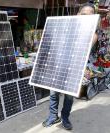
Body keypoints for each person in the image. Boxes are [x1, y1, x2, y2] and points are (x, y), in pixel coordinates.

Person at [42, 2, 98, 130]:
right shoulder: (64, 26)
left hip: (74, 67)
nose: (86, 18)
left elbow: (84, 50)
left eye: (90, 16)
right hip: (58, 64)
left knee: (68, 95)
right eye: (84, 14)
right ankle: (52, 116)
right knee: (53, 93)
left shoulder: (92, 34)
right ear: (78, 14)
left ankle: (65, 118)